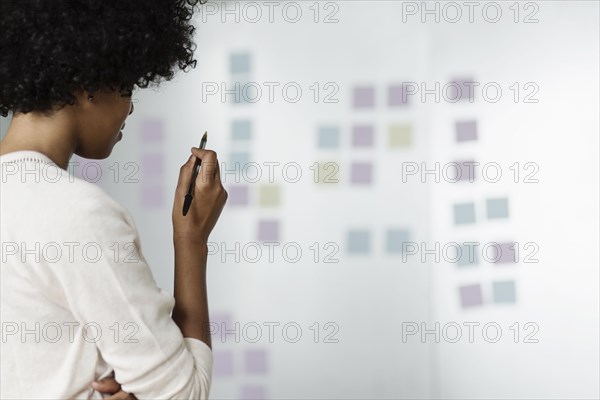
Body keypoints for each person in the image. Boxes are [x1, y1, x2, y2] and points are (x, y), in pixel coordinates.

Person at [0, 1, 227, 398]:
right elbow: (185, 394)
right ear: (88, 82)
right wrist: (191, 238)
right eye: (128, 85)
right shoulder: (75, 215)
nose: (130, 107)